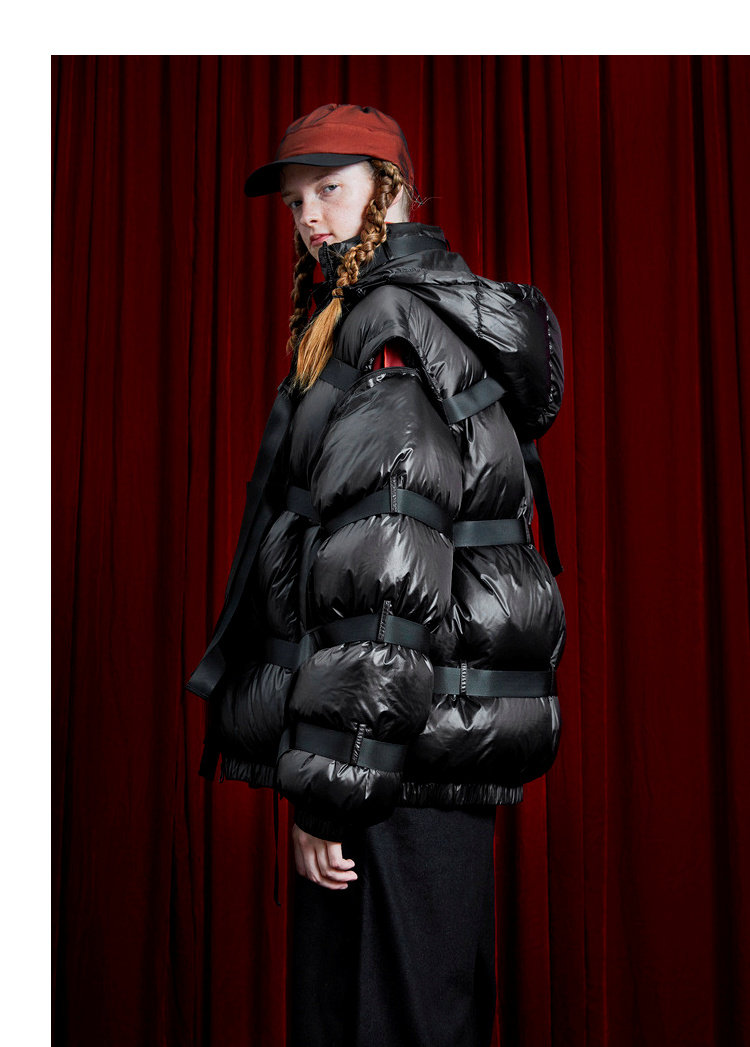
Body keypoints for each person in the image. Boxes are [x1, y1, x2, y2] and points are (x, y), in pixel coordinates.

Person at [186, 103, 566, 1047]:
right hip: (409, 749)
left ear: (389, 192)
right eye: (297, 200)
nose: (310, 216)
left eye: (331, 188)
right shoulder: (395, 314)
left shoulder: (388, 327)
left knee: (381, 1022)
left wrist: (330, 789)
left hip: (390, 763)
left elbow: (384, 581)